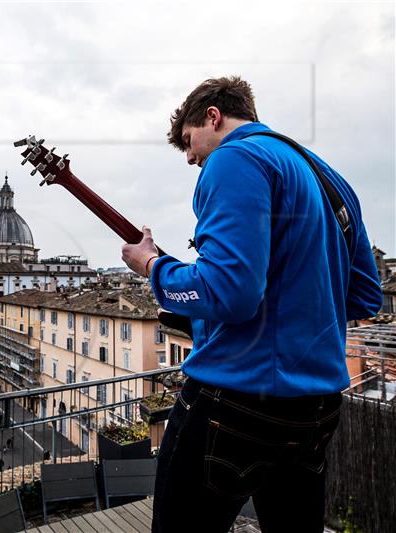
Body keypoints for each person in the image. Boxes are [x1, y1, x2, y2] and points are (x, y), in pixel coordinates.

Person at [120, 76, 382, 533]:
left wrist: (152, 267)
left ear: (214, 117)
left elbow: (230, 292)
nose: (189, 156)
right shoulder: (327, 176)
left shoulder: (233, 158)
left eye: (188, 140)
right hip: (316, 408)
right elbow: (364, 295)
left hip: (236, 400)